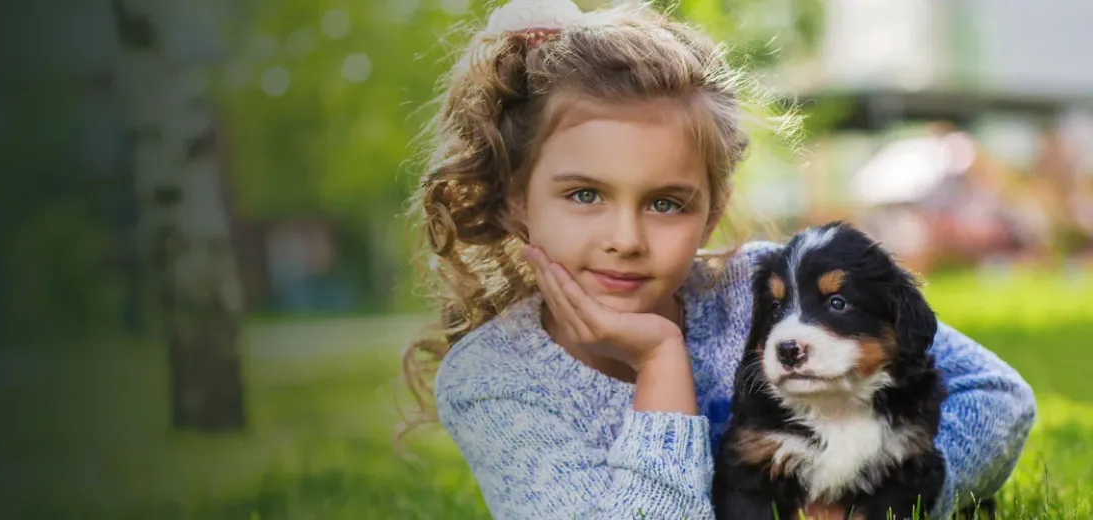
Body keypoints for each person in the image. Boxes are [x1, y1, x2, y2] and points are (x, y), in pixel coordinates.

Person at [396, 1, 1037, 518]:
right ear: (516, 201)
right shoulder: (495, 379)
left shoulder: (765, 287)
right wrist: (659, 363)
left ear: (712, 206)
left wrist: (885, 502)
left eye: (666, 203)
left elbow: (999, 395)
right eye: (584, 194)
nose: (625, 237)